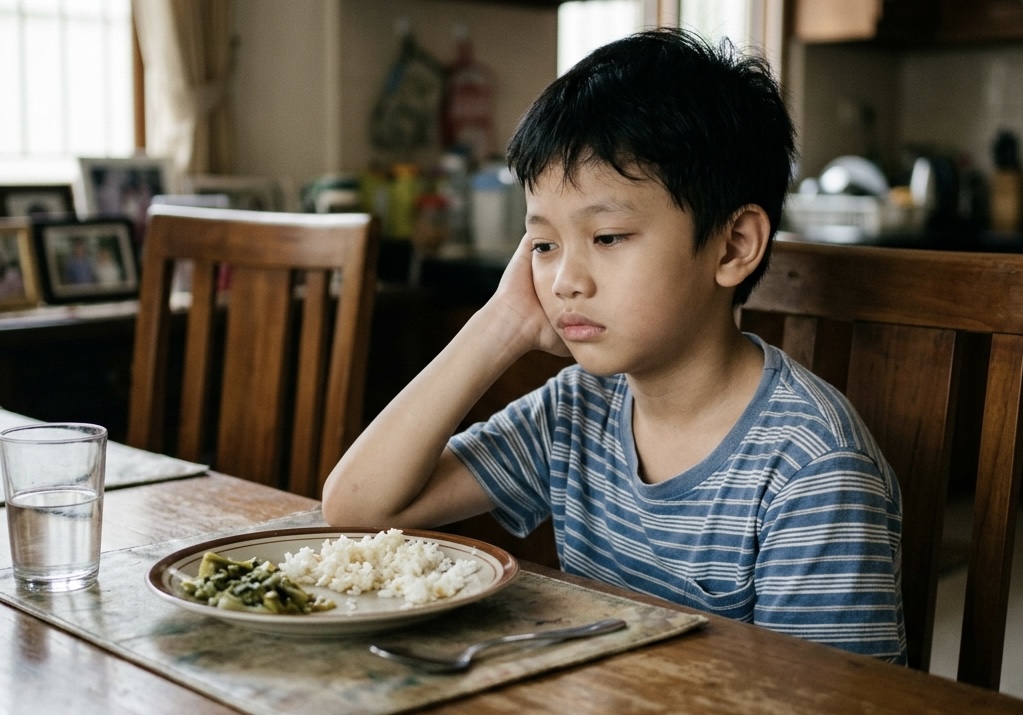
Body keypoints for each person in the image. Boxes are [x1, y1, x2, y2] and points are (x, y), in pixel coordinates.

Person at [322, 27, 906, 663]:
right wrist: (500, 326)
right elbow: (358, 507)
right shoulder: (577, 408)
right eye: (544, 245)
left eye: (608, 237)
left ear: (734, 245)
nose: (566, 281)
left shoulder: (810, 468)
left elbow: (835, 700)